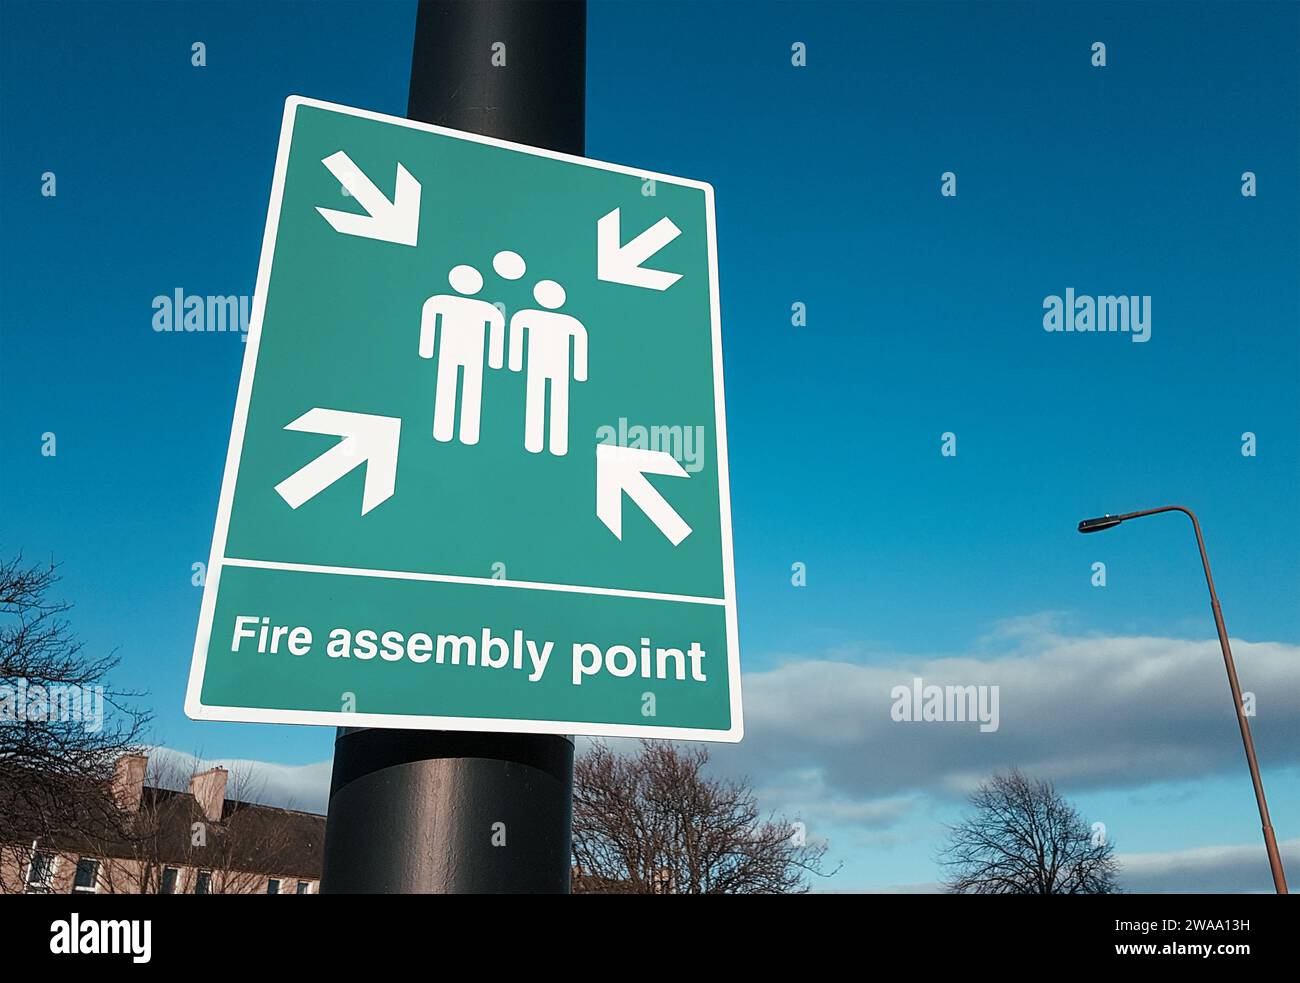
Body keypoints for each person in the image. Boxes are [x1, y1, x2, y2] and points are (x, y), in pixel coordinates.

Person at [418, 264, 504, 445]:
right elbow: (429, 323)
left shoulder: (485, 309)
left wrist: (496, 359)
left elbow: (496, 332)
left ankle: (468, 432)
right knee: (446, 387)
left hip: (474, 357)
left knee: (471, 390)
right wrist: (427, 349)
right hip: (449, 354)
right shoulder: (440, 301)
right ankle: (443, 429)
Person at [508, 279, 588, 456]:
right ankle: (533, 440)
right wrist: (515, 362)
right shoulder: (526, 316)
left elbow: (580, 344)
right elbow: (517, 337)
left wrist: (579, 372)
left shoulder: (570, 322)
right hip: (536, 367)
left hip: (561, 371)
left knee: (559, 403)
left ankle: (558, 444)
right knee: (535, 400)